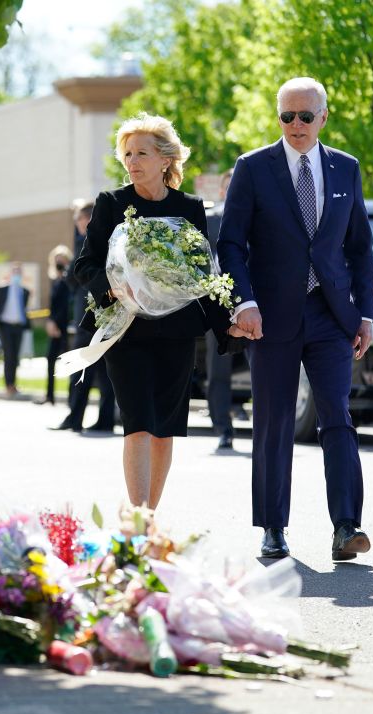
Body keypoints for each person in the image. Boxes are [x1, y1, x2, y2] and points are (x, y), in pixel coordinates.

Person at [216, 77, 373, 561]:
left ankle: (347, 525)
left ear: (323, 117)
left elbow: (360, 248)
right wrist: (243, 303)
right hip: (270, 317)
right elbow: (230, 243)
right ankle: (272, 527)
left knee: (337, 415)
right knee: (274, 422)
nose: (296, 125)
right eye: (287, 116)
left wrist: (365, 313)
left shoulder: (345, 169)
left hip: (331, 315)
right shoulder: (253, 168)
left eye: (306, 116)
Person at [71, 113, 235, 509]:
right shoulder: (112, 204)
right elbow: (84, 265)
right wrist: (112, 287)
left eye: (141, 153)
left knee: (165, 430)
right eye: (127, 154)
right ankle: (138, 523)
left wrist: (228, 327)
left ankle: (150, 516)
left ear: (165, 159)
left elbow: (201, 273)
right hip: (128, 332)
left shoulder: (190, 207)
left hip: (177, 335)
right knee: (139, 424)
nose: (132, 161)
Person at [53, 202, 116, 433]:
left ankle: (74, 417)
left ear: (86, 220)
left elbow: (72, 277)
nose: (77, 225)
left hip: (88, 315)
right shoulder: (109, 241)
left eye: (79, 220)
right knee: (104, 372)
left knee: (81, 367)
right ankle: (105, 419)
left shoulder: (86, 242)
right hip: (106, 315)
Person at [206, 169, 237, 450]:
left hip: (254, 302)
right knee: (219, 368)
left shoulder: (256, 217)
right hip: (218, 303)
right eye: (228, 186)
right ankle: (223, 427)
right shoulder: (210, 219)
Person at [34, 245, 73, 405]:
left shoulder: (67, 280)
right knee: (50, 359)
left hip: (64, 327)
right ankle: (50, 395)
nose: (59, 262)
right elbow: (53, 305)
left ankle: (73, 398)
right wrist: (50, 322)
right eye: (57, 260)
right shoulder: (55, 281)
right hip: (54, 326)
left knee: (71, 362)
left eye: (62, 259)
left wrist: (55, 323)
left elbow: (65, 305)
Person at [0, 262, 30, 398]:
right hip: (6, 326)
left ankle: (13, 384)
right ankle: (8, 385)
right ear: (10, 274)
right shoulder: (2, 290)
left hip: (18, 327)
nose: (16, 275)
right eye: (14, 272)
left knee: (15, 357)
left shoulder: (25, 291)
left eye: (18, 272)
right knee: (8, 356)